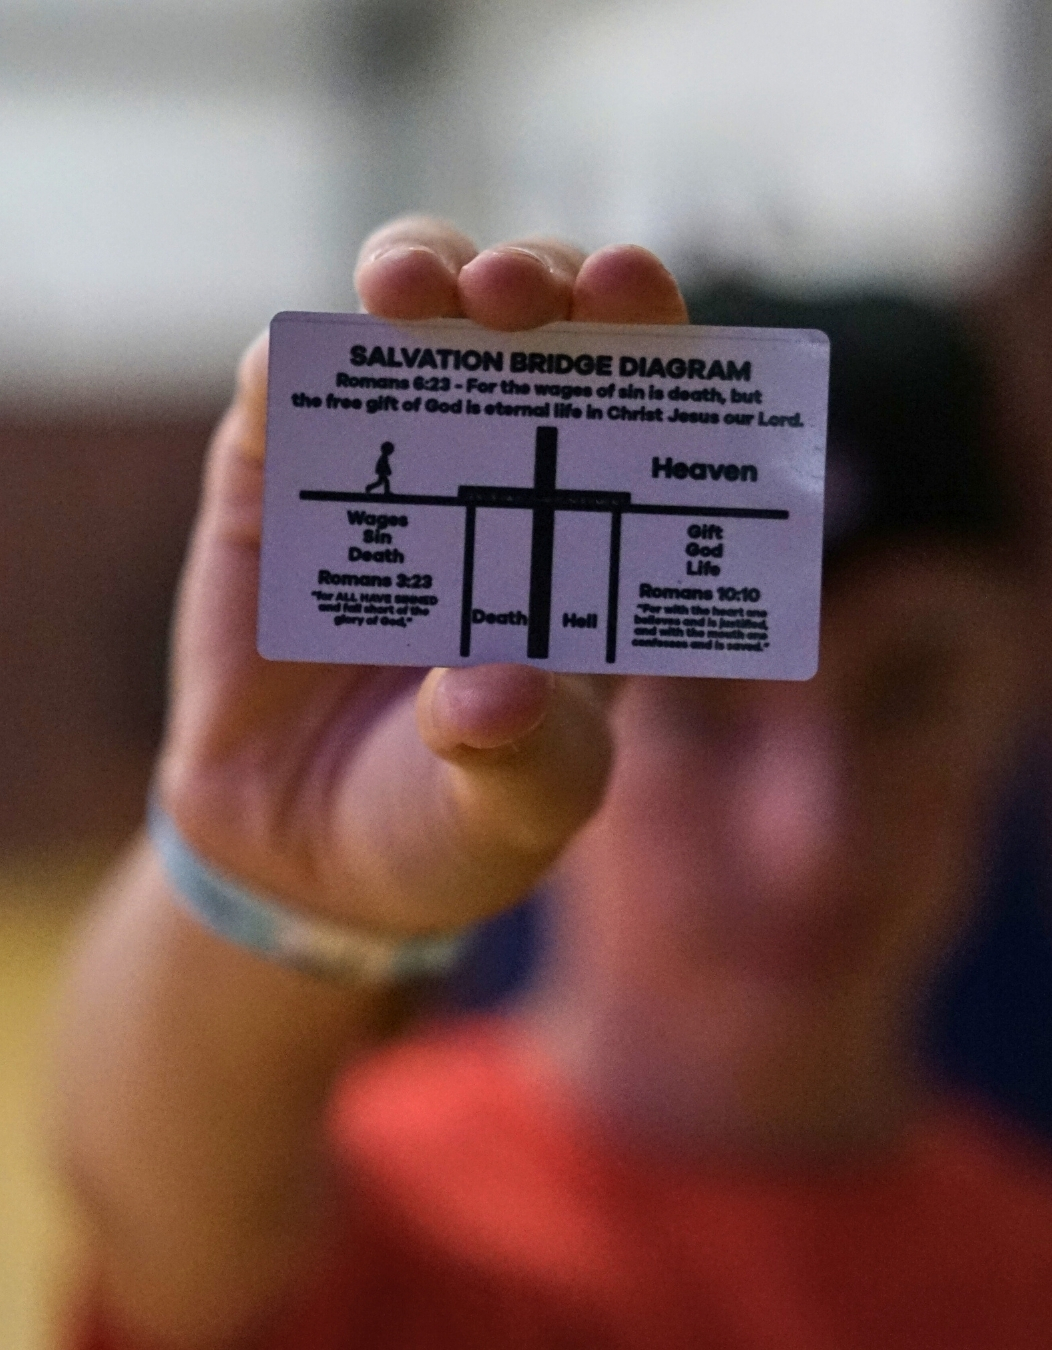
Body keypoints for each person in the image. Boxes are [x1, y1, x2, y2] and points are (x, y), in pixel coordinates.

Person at [52, 217, 1052, 1350]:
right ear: (571, 683)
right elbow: (156, 1208)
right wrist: (261, 873)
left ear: (1017, 674)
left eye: (911, 695)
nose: (808, 838)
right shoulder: (382, 1221)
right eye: (699, 707)